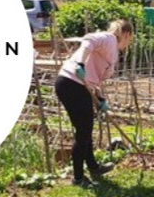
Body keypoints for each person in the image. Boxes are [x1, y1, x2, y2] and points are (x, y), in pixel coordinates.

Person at [55, 19, 134, 187]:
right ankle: (78, 177)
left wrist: (101, 99)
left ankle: (93, 167)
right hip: (71, 83)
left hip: (79, 86)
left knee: (86, 129)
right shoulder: (109, 39)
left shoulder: (112, 50)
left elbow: (95, 80)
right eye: (130, 39)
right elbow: (88, 41)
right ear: (127, 34)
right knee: (83, 131)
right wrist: (80, 63)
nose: (129, 43)